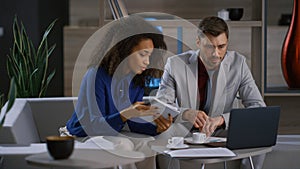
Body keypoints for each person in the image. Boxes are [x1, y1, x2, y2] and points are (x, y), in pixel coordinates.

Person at [155, 16, 266, 169]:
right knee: (161, 133)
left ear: (227, 43)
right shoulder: (175, 65)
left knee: (259, 132)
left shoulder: (238, 64)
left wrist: (221, 120)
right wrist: (185, 113)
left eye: (221, 46)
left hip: (219, 131)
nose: (216, 53)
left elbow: (258, 108)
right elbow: (160, 107)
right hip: (184, 130)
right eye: (209, 46)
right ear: (198, 42)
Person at [63, 15, 171, 169]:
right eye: (142, 54)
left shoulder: (136, 80)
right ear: (125, 50)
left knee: (147, 144)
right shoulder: (96, 75)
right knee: (122, 144)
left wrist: (156, 128)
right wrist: (126, 114)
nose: (147, 61)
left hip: (110, 134)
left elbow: (132, 122)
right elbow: (93, 125)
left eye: (149, 55)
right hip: (82, 135)